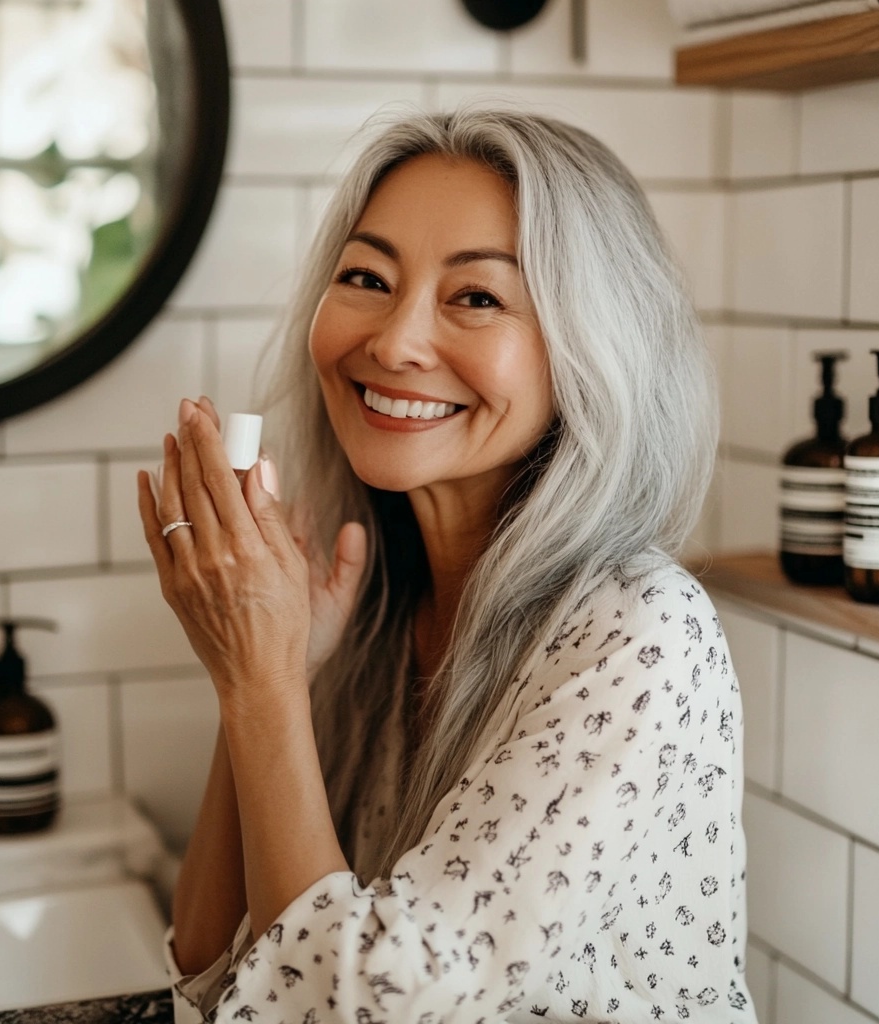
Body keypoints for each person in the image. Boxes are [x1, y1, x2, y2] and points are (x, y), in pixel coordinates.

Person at [137, 107, 757, 1023]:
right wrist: (269, 678)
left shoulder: (641, 636)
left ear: (593, 348)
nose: (391, 343)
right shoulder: (374, 608)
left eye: (476, 297)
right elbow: (211, 976)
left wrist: (264, 682)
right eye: (365, 277)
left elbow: (368, 1012)